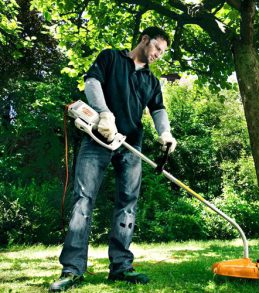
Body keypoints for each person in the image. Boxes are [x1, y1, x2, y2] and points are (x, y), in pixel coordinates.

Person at [49, 27, 177, 292]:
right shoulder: (110, 58)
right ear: (144, 40)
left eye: (163, 53)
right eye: (157, 49)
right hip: (98, 139)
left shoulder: (152, 81)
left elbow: (158, 109)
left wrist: (165, 133)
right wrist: (104, 113)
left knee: (128, 203)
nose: (158, 56)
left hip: (130, 144)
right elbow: (92, 82)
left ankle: (121, 267)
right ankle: (72, 270)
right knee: (83, 200)